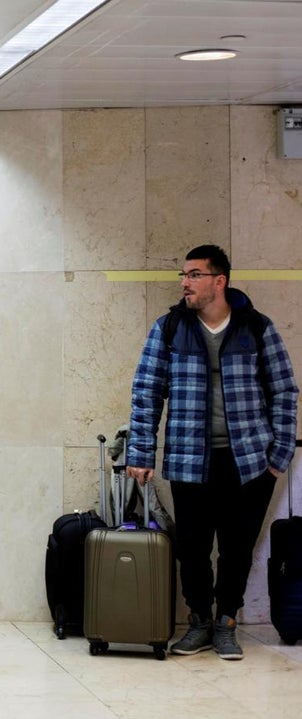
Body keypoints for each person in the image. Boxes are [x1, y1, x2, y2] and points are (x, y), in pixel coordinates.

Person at [126, 244, 298, 661]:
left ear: (219, 281)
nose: (185, 283)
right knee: (192, 549)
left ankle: (227, 623)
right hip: (190, 460)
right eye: (183, 275)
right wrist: (141, 452)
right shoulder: (169, 328)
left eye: (194, 275)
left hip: (249, 463)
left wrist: (279, 457)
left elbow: (284, 391)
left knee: (237, 550)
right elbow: (147, 391)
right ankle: (200, 621)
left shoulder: (256, 327)